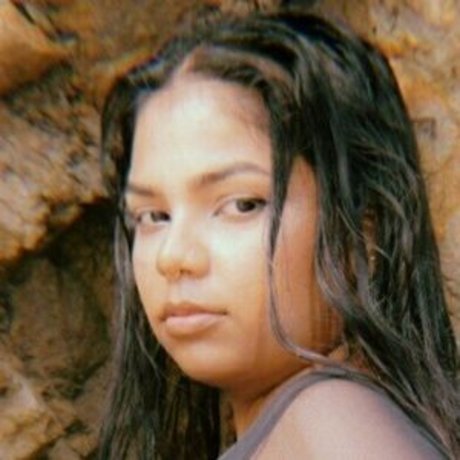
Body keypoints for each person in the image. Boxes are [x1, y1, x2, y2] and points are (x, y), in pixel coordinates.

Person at [98, 7, 459, 460]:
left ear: (363, 226)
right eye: (153, 216)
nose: (172, 256)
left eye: (241, 205)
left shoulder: (332, 422)